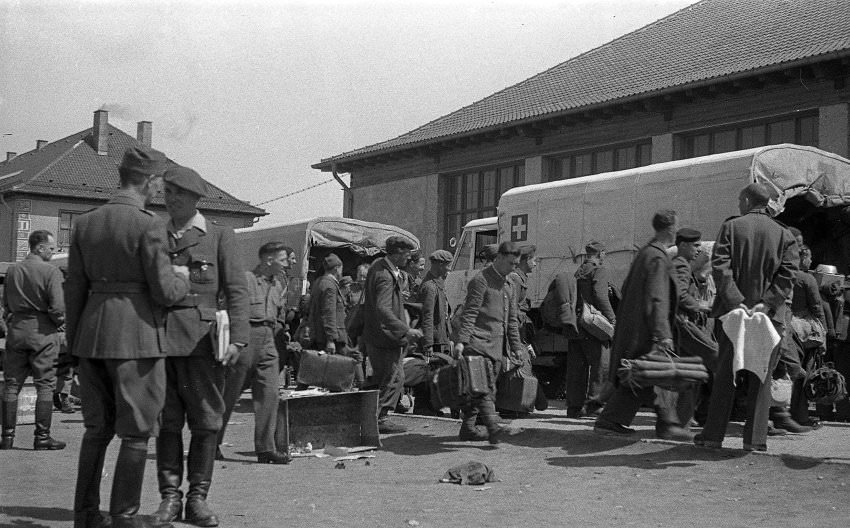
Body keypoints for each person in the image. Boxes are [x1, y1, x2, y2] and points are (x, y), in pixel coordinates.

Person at [66, 146, 191, 528]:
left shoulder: (85, 222)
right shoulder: (149, 224)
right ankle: (124, 516)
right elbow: (164, 291)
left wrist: (74, 343)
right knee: (136, 432)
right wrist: (182, 280)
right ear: (150, 181)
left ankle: (86, 514)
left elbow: (74, 290)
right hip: (136, 337)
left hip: (91, 335)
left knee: (96, 429)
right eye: (160, 183)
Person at [152, 166, 249, 527]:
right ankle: (169, 498)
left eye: (179, 193)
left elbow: (237, 291)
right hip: (159, 341)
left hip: (202, 346)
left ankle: (197, 498)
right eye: (167, 192)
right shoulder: (154, 234)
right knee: (166, 422)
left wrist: (238, 338)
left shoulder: (219, 237)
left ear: (195, 199)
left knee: (206, 422)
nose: (171, 198)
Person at [695, 183, 797, 452]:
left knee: (725, 376)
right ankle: (754, 440)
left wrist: (738, 302)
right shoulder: (785, 235)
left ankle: (713, 436)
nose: (738, 204)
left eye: (740, 199)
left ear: (749, 199)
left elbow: (721, 267)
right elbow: (787, 276)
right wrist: (767, 303)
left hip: (733, 316)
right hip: (770, 318)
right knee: (762, 379)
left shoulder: (731, 227)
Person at [594, 210, 693, 441]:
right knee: (657, 375)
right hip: (646, 331)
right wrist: (663, 334)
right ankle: (660, 424)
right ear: (671, 228)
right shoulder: (658, 256)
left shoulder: (646, 253)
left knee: (645, 377)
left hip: (636, 328)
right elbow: (658, 297)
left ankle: (617, 421)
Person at [217, 242, 291, 464]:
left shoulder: (278, 285)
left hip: (268, 339)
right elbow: (224, 308)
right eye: (283, 259)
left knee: (270, 393)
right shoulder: (245, 280)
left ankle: (266, 449)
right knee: (229, 393)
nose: (287, 264)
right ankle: (209, 444)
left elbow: (280, 313)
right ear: (268, 260)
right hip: (244, 336)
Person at [453, 242, 524, 444]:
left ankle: (467, 429)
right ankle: (494, 429)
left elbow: (511, 320)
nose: (513, 268)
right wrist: (462, 341)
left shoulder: (509, 285)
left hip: (495, 347)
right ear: (499, 258)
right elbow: (470, 313)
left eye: (516, 264)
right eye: (511, 263)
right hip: (476, 343)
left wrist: (516, 347)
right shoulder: (480, 280)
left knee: (483, 389)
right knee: (482, 388)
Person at [1, 230, 66, 450]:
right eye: (51, 247)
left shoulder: (12, 271)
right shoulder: (51, 272)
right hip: (43, 332)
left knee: (11, 385)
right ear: (39, 247)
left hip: (17, 330)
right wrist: (58, 323)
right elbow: (58, 308)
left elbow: (6, 305)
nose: (53, 251)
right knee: (45, 385)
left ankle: (7, 437)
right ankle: (42, 437)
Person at [362, 236, 422, 434]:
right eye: (406, 254)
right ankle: (380, 419)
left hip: (378, 335)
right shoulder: (385, 276)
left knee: (385, 377)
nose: (408, 259)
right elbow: (383, 309)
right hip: (385, 337)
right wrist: (406, 329)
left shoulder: (379, 267)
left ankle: (372, 417)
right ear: (396, 253)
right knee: (394, 377)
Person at [567, 240, 616, 418]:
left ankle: (574, 408)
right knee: (601, 364)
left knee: (576, 368)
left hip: (576, 324)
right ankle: (594, 404)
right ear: (601, 254)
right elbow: (601, 296)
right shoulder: (599, 270)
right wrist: (612, 319)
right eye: (604, 254)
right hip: (592, 325)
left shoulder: (579, 271)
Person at [404, 250, 454, 415]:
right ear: (440, 265)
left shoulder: (437, 283)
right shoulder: (429, 287)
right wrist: (428, 343)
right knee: (427, 374)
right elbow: (427, 317)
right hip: (433, 338)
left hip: (440, 336)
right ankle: (423, 407)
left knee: (436, 374)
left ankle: (430, 406)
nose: (449, 270)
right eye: (447, 266)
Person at [309, 253, 348, 353]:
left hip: (319, 334)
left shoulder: (319, 282)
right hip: (332, 339)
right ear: (337, 268)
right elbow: (328, 313)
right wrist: (330, 339)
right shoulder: (330, 285)